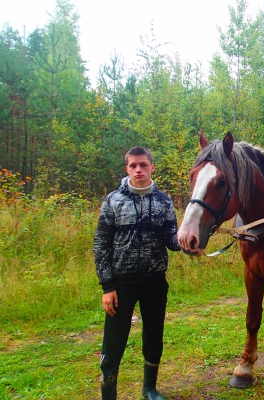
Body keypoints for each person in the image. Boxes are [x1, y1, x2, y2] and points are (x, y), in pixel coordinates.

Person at [94, 147, 180, 400]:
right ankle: (108, 394)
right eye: (133, 166)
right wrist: (107, 287)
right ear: (127, 169)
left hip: (155, 282)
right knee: (114, 342)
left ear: (152, 167)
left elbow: (171, 240)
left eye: (143, 164)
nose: (138, 170)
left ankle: (149, 389)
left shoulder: (164, 201)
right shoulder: (113, 201)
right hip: (121, 285)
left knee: (154, 337)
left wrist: (190, 243)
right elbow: (101, 245)